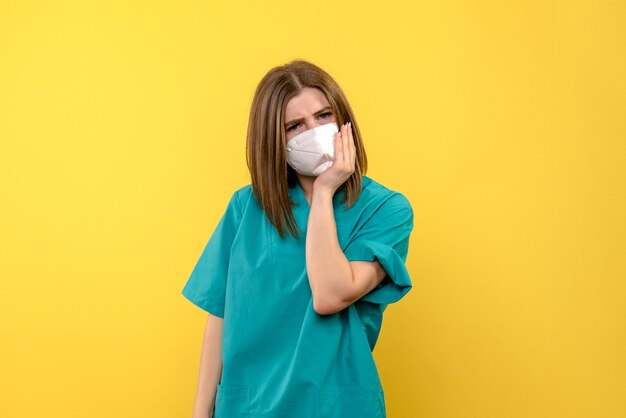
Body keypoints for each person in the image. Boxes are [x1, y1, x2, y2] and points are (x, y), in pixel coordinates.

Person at [182, 59, 415, 418]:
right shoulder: (246, 207)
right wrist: (200, 413)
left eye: (324, 116)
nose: (315, 131)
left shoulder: (385, 209)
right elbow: (220, 316)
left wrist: (323, 192)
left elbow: (330, 294)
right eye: (295, 126)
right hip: (249, 406)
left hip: (337, 405)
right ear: (273, 139)